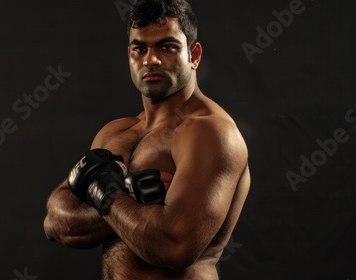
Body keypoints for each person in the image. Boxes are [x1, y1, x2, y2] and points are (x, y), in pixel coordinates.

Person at [43, 0, 250, 278]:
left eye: (167, 47)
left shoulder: (211, 133)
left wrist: (106, 194)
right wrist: (136, 199)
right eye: (140, 48)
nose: (150, 59)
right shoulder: (114, 132)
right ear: (130, 54)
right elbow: (56, 223)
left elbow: (174, 249)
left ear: (194, 55)